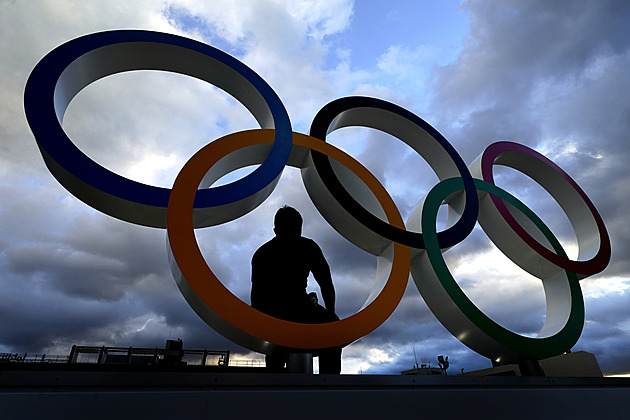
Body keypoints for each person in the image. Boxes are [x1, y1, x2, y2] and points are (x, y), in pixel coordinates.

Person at [251, 206, 341, 373]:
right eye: (290, 231)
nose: (292, 235)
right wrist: (331, 315)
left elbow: (256, 296)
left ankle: (274, 383)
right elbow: (326, 283)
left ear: (275, 229)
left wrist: (261, 323)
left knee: (275, 355)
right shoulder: (308, 246)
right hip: (293, 310)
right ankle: (330, 386)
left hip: (275, 312)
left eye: (294, 231)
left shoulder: (262, 253)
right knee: (333, 337)